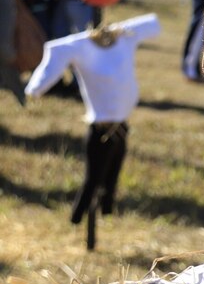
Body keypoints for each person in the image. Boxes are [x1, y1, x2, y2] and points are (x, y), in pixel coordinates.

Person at [24, 14, 161, 224]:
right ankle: (77, 218)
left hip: (121, 126)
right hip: (100, 127)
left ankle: (106, 211)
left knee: (113, 175)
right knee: (93, 178)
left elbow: (151, 24)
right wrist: (36, 87)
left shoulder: (124, 36)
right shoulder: (79, 46)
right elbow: (56, 50)